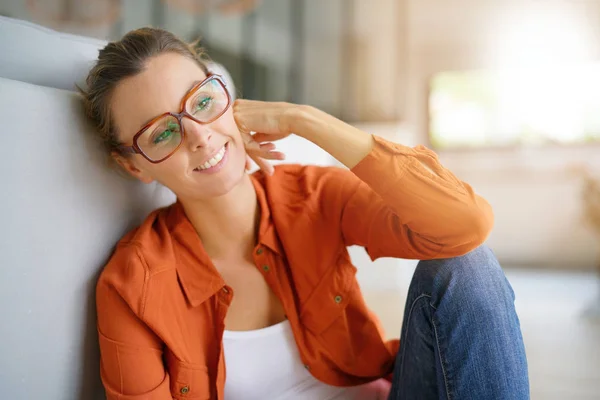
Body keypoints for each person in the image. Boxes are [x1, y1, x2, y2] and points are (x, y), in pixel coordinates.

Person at [81, 27, 529, 400]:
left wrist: (304, 119)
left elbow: (465, 226)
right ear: (133, 165)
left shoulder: (310, 195)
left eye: (202, 102)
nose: (199, 136)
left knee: (467, 266)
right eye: (162, 134)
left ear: (229, 101)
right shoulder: (132, 284)